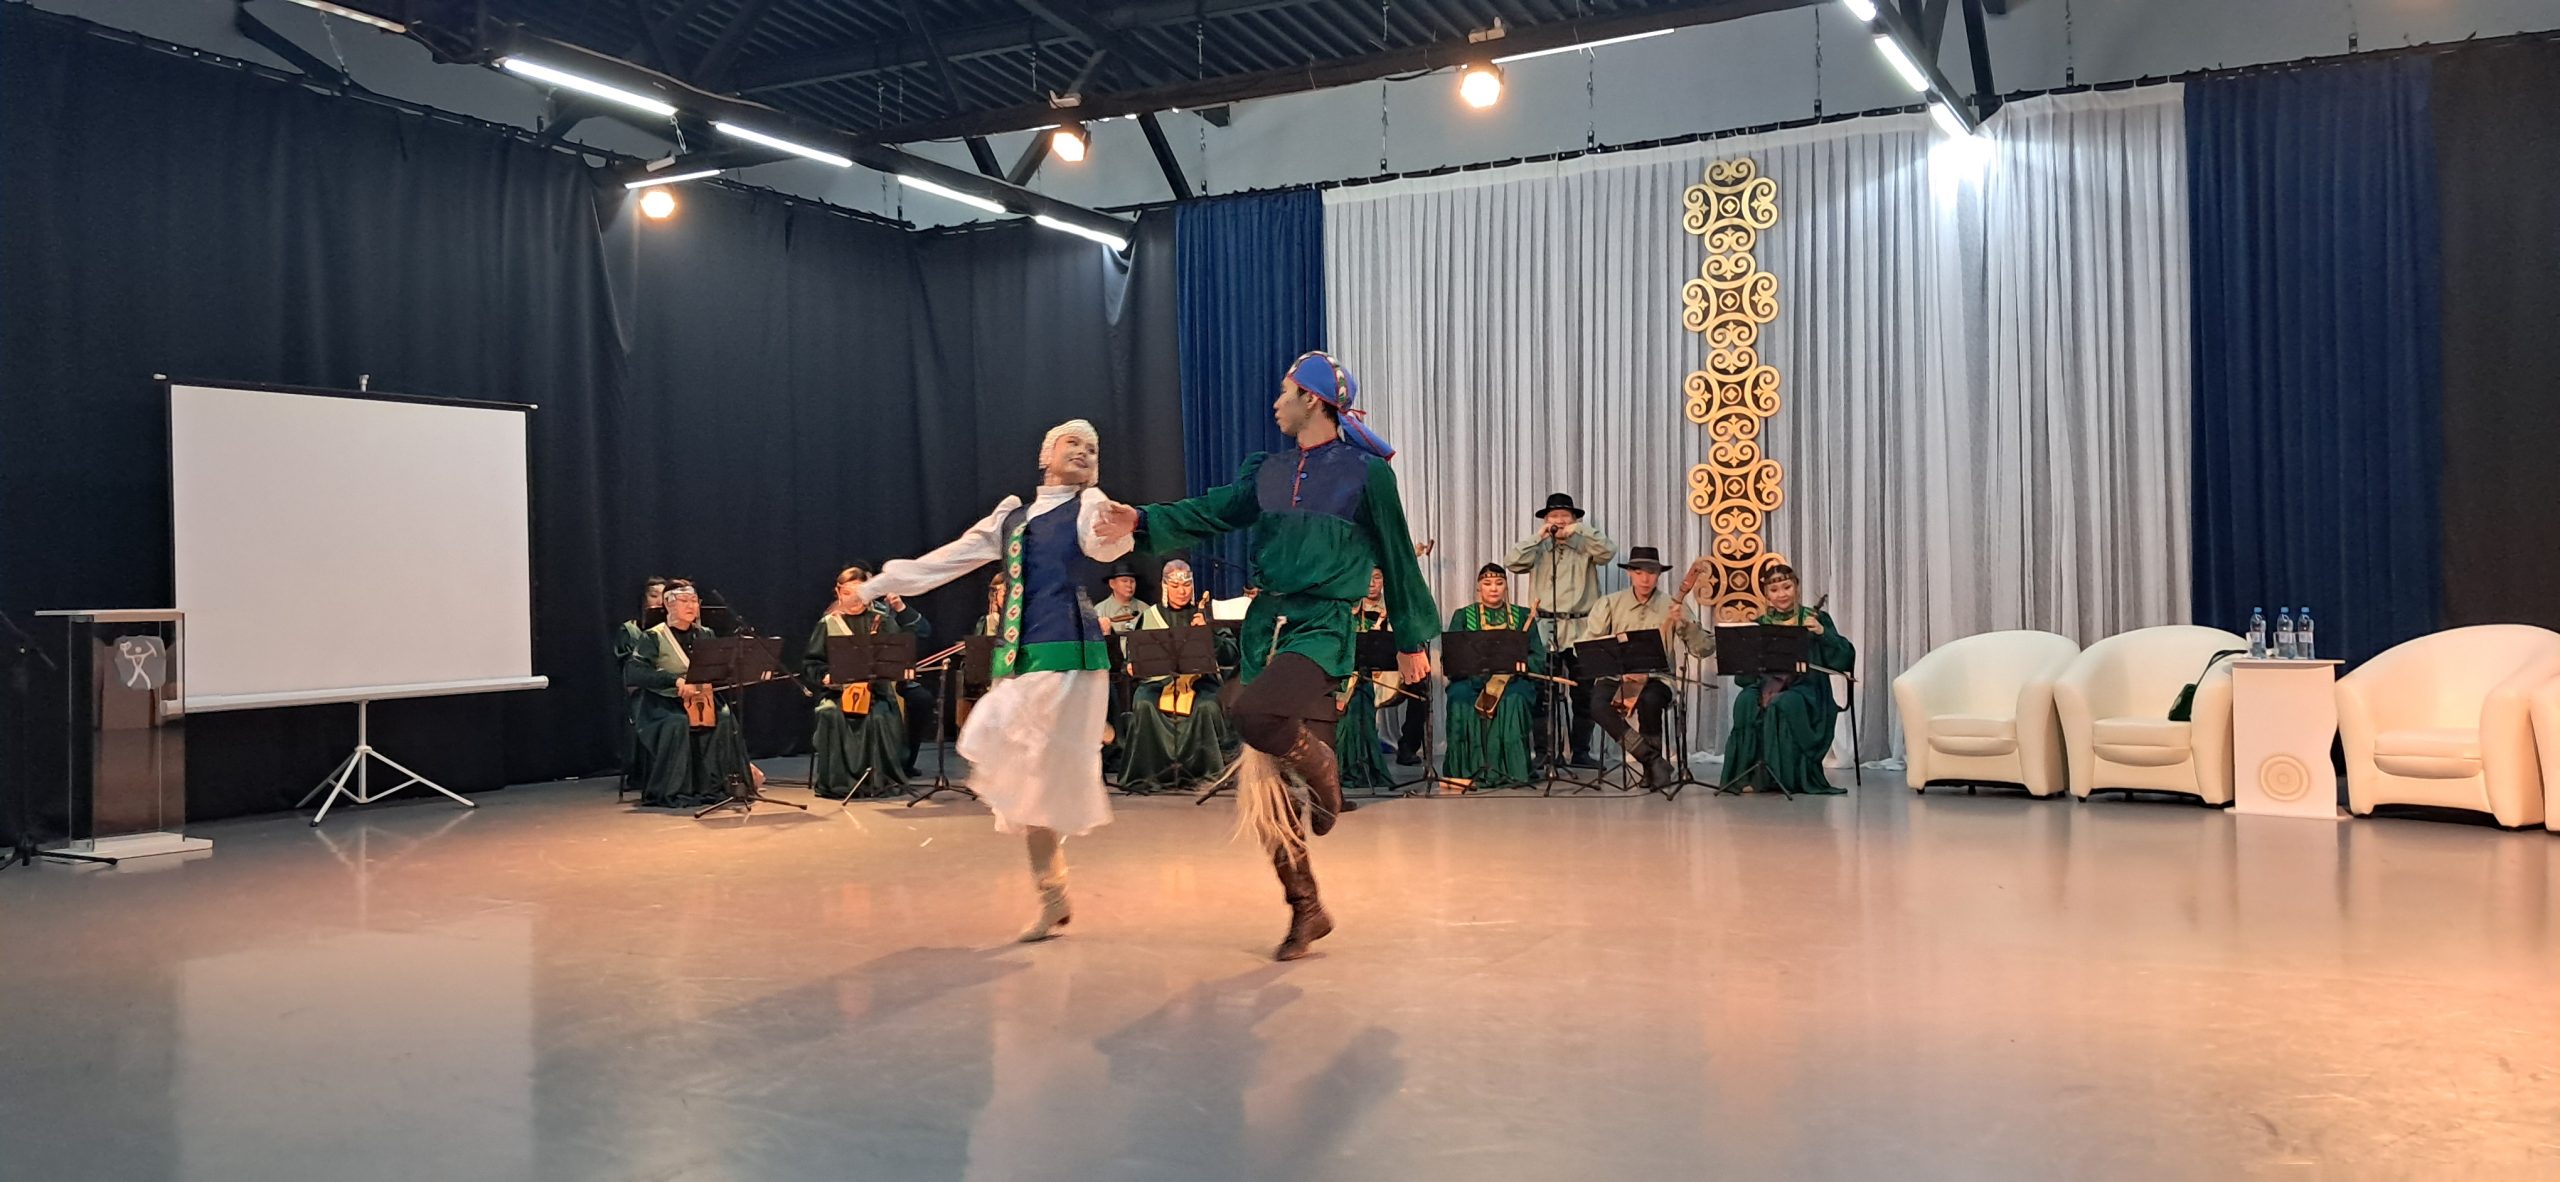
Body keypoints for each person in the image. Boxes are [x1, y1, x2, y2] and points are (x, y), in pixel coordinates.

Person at [1096, 350, 1438, 961]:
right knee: (1266, 788)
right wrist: (1141, 519)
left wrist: (1411, 639)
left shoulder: (1366, 474)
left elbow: (1396, 552)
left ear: (1312, 399)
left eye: (1284, 391)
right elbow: (1212, 511)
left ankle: (1325, 773)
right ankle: (1306, 906)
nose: (1275, 402)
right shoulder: (1269, 469)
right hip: (1265, 627)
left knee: (1252, 713)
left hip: (1322, 625)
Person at [856, 420, 1131, 941]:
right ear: (1045, 455)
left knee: (998, 733)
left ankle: (1085, 732)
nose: (1084, 452)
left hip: (1066, 653)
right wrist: (881, 585)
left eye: (1093, 448)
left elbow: (1103, 546)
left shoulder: (1089, 504)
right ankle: (1053, 894)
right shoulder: (1011, 518)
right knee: (1029, 787)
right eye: (1073, 443)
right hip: (1021, 657)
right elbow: (950, 559)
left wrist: (1114, 528)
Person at [1581, 546, 1712, 791]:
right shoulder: (1610, 603)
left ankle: (1651, 769)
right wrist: (1620, 669)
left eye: (1651, 572)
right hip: (1617, 676)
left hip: (1656, 677)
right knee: (1598, 706)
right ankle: (1651, 760)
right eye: (1639, 572)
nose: (1645, 579)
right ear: (1629, 573)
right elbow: (1591, 647)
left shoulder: (1673, 605)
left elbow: (1704, 649)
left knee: (1650, 700)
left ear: (1659, 575)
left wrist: (1685, 623)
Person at [623, 583, 760, 808]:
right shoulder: (653, 636)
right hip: (663, 701)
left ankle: (717, 786)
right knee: (677, 723)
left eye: (694, 601)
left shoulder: (705, 634)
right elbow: (635, 672)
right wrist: (675, 680)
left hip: (700, 699)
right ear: (668, 604)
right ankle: (676, 790)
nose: (691, 606)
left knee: (725, 717)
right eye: (684, 601)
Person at [1721, 564, 1852, 796]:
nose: (1781, 594)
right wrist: (1743, 658)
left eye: (1787, 587)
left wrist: (1822, 632)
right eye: (1774, 590)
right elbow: (1744, 679)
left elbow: (1844, 658)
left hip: (1808, 689)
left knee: (1784, 703)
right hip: (1768, 686)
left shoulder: (1816, 618)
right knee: (1745, 701)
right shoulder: (1759, 625)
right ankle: (1749, 776)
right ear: (1766, 595)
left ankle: (1785, 779)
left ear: (1796, 587)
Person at [1508, 492, 1616, 768]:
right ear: (1545, 520)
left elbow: (1608, 552)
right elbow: (1512, 562)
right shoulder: (1539, 547)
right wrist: (1538, 537)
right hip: (1545, 627)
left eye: (1564, 516)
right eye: (1553, 516)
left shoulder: (1586, 544)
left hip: (1582, 628)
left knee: (1584, 694)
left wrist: (1579, 530)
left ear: (1574, 519)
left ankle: (1581, 752)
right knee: (1543, 694)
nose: (1559, 521)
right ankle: (1545, 753)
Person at [803, 565, 925, 799]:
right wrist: (825, 676)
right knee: (830, 713)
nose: (854, 600)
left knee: (879, 716)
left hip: (877, 692)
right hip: (838, 694)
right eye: (848, 593)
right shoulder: (828, 624)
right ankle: (839, 782)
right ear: (838, 593)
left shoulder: (882, 621)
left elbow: (898, 656)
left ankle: (877, 780)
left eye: (860, 594)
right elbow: (812, 663)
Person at [1119, 560, 1237, 792]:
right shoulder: (1150, 616)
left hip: (1200, 681)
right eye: (1175, 586)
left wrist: (1209, 632)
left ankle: (1205, 772)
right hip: (1159, 682)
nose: (1182, 591)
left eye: (1186, 585)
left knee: (1207, 707)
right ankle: (1149, 774)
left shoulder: (1205, 615)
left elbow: (1231, 654)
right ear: (1165, 586)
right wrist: (1129, 666)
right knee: (1144, 704)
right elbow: (1134, 655)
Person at [1443, 563, 1545, 789]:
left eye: (1499, 583)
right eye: (1487, 583)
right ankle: (1465, 771)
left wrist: (1519, 666)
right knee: (1459, 698)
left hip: (1512, 681)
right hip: (1470, 680)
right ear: (1478, 587)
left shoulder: (1523, 616)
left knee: (1514, 700)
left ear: (1506, 587)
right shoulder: (1463, 616)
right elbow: (1451, 657)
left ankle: (1512, 771)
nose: (1493, 588)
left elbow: (1538, 656)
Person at [1332, 569, 1398, 791]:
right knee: (1351, 704)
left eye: (1377, 577)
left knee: (1361, 700)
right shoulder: (1346, 609)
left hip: (1376, 675)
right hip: (1344, 675)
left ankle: (1365, 766)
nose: (1371, 583)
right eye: (1367, 577)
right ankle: (1345, 768)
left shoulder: (1391, 610)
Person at [1096, 560, 1149, 634]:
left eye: (1132, 581)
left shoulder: (1145, 610)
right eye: (1124, 581)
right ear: (1112, 584)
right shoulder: (1100, 611)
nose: (1129, 585)